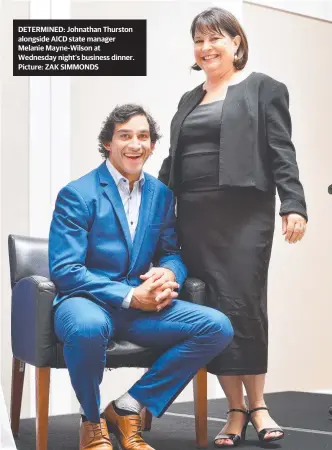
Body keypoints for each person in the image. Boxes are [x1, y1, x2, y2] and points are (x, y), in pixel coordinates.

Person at [159, 7, 308, 448]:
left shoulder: (264, 89)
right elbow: (174, 160)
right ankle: (235, 409)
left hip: (244, 214)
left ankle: (258, 404)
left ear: (236, 43)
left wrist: (293, 204)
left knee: (244, 302)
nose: (206, 48)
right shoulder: (189, 99)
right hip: (195, 216)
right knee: (213, 308)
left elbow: (282, 149)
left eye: (215, 39)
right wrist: (155, 210)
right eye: (199, 40)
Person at [49, 104, 234, 450]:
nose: (135, 144)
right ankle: (91, 422)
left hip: (141, 307)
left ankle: (128, 406)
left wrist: (167, 272)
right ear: (108, 143)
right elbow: (66, 270)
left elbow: (171, 252)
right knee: (88, 328)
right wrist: (131, 296)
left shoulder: (161, 195)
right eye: (125, 135)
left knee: (217, 326)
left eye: (143, 136)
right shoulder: (78, 194)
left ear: (151, 145)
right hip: (87, 301)